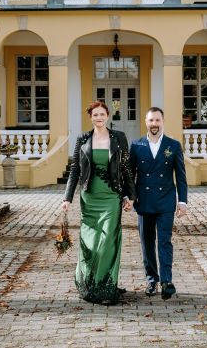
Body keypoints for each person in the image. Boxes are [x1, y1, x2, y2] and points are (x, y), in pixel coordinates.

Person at [61, 100, 135, 305]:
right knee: (91, 242)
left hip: (111, 196)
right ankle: (90, 283)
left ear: (108, 116)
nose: (99, 118)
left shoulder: (119, 137)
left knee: (108, 241)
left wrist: (130, 195)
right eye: (95, 115)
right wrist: (67, 198)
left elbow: (125, 168)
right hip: (89, 197)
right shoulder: (82, 138)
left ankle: (106, 286)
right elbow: (75, 169)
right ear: (91, 117)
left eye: (102, 114)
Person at [126, 107, 188, 300]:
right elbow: (130, 175)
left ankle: (166, 281)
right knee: (147, 243)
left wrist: (183, 201)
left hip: (166, 201)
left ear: (163, 121)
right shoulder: (136, 145)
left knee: (164, 241)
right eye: (151, 120)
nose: (154, 124)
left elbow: (181, 176)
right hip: (144, 201)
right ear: (146, 122)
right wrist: (128, 197)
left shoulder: (173, 145)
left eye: (157, 120)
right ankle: (152, 279)